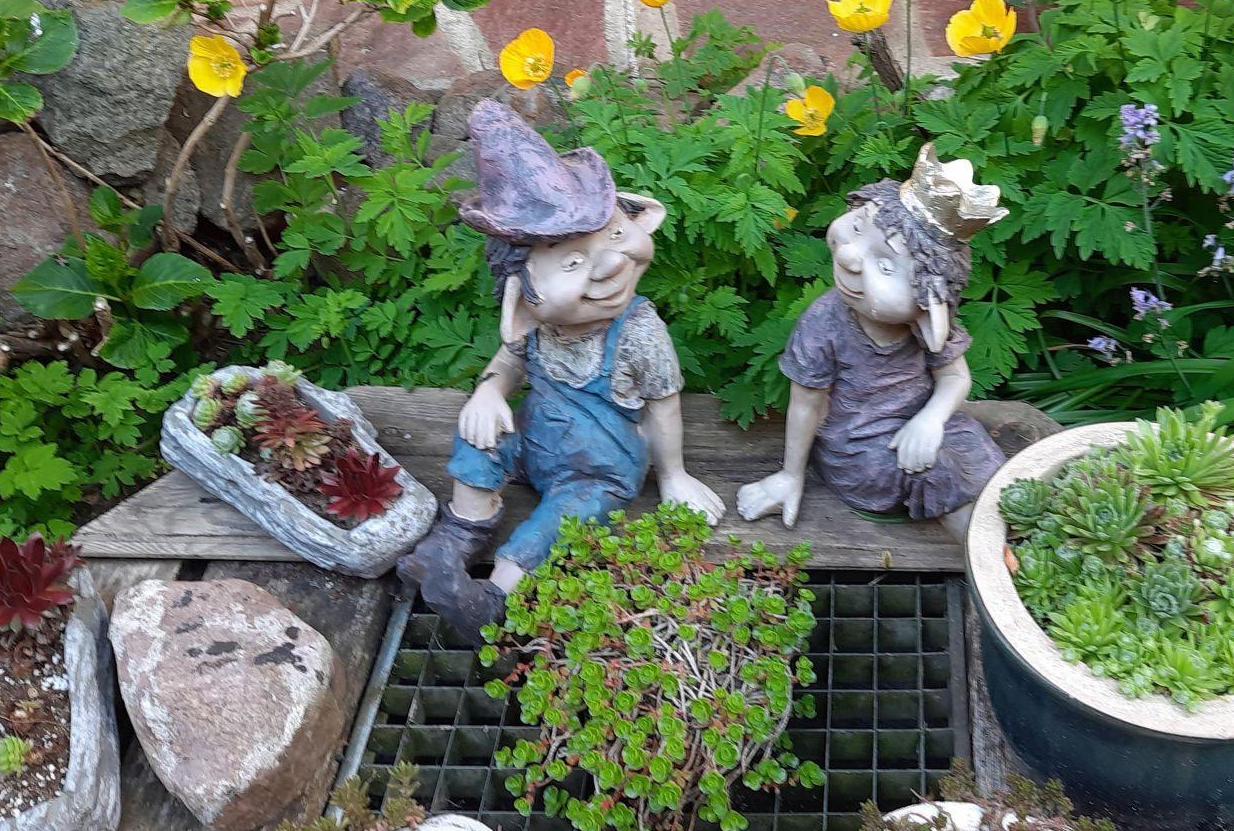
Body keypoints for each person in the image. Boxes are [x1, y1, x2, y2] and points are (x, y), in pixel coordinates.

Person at [396, 101, 722, 640]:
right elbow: (507, 361)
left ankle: (495, 597)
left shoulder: (639, 333)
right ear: (522, 305)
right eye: (571, 262)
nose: (611, 263)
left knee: (564, 518)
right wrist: (488, 393)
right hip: (533, 446)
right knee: (478, 434)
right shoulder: (535, 331)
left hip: (600, 472)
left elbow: (663, 407)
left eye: (614, 235)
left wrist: (673, 477)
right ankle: (459, 536)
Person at [738, 145, 1008, 542]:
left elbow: (954, 378)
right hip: (860, 448)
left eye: (884, 264)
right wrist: (790, 475)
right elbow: (807, 404)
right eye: (858, 227)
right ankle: (989, 555)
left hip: (921, 422)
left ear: (929, 307)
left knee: (975, 447)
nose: (849, 256)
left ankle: (1011, 527)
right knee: (937, 470)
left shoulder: (927, 327)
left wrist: (930, 420)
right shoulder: (825, 323)